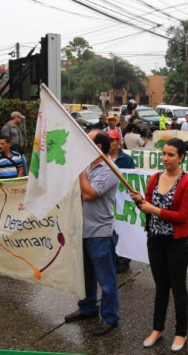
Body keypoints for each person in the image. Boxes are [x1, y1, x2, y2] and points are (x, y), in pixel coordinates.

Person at [130, 138, 188, 352]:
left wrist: (154, 210)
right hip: (155, 240)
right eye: (164, 154)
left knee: (178, 288)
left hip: (178, 242)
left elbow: (183, 216)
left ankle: (181, 332)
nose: (166, 158)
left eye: (171, 155)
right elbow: (145, 206)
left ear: (181, 157)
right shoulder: (155, 178)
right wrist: (139, 201)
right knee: (160, 288)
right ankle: (157, 329)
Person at [64, 131, 120, 337]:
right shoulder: (88, 168)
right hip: (81, 229)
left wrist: (79, 172)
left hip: (99, 232)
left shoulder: (110, 169)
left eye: (86, 141)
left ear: (97, 146)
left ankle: (110, 316)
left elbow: (88, 194)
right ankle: (87, 308)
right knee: (85, 274)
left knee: (106, 279)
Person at [107, 129, 135, 273]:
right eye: (108, 139)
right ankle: (113, 257)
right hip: (108, 199)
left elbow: (133, 181)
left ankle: (124, 259)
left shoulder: (126, 159)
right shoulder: (102, 158)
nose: (110, 143)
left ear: (118, 142)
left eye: (112, 140)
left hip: (123, 200)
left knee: (123, 228)